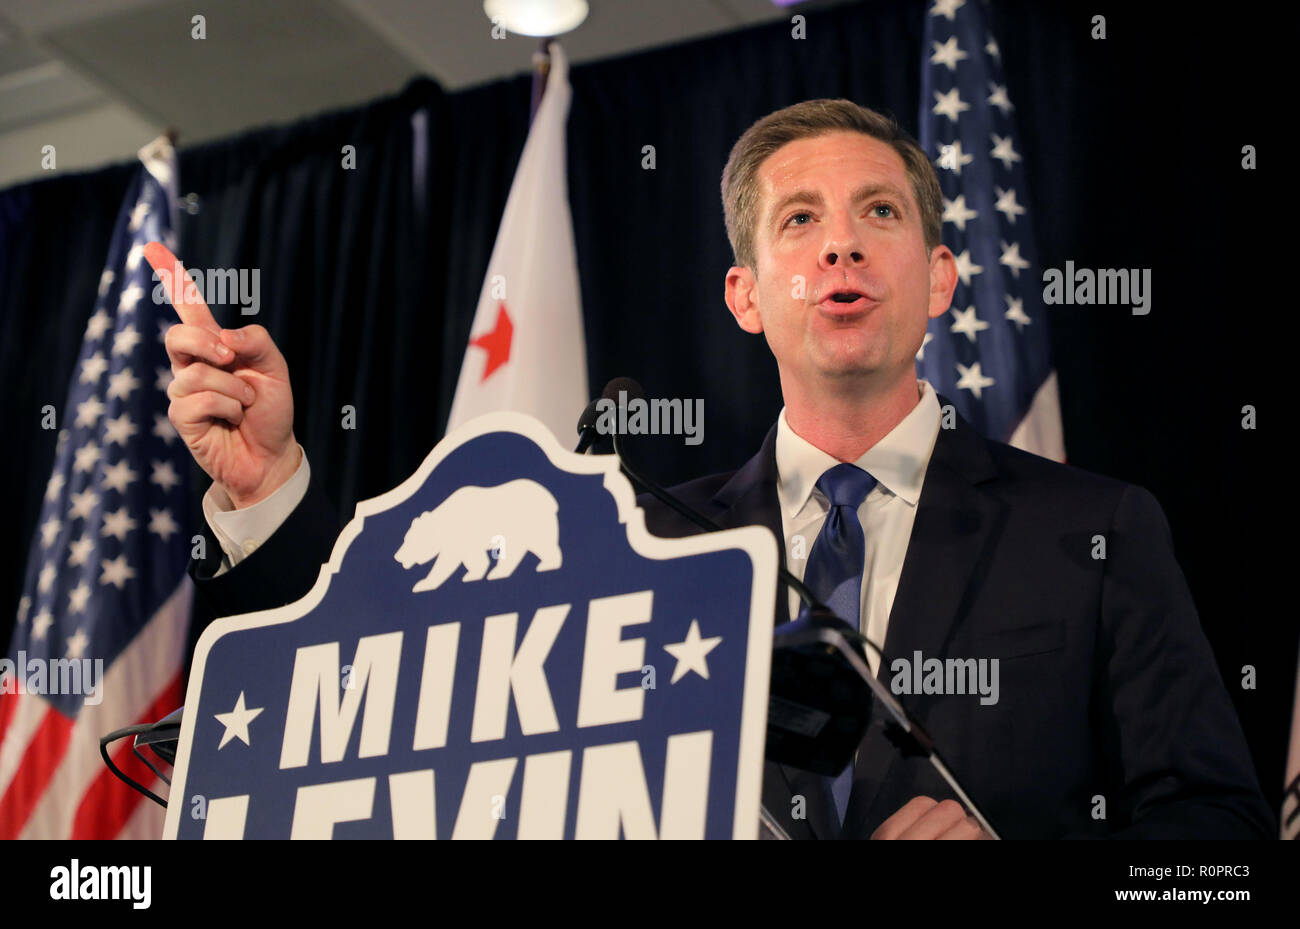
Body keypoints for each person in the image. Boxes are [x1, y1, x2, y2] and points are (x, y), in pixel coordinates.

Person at [147, 99, 1274, 840]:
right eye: (798, 220)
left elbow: (1218, 834)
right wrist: (269, 485)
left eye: (877, 213)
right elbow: (409, 679)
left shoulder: (1095, 527)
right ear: (744, 296)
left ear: (938, 279)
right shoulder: (637, 538)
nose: (839, 244)